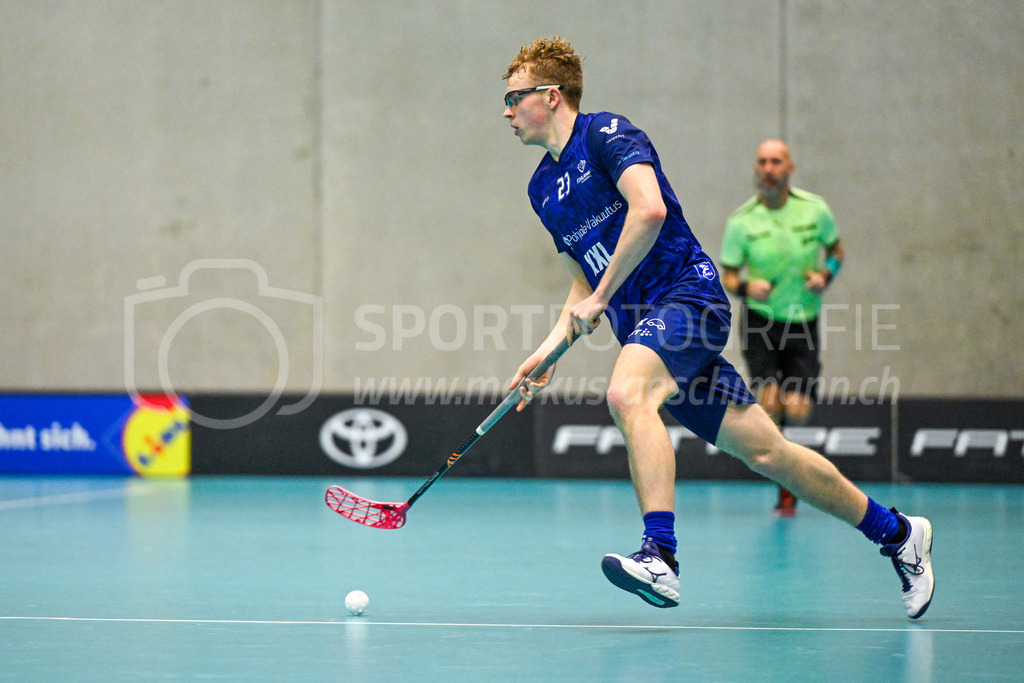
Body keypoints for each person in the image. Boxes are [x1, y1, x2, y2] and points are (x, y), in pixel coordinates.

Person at [499, 36, 933, 619]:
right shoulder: (541, 189)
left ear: (551, 96)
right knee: (770, 454)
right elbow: (584, 280)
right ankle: (898, 533)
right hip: (648, 329)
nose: (507, 111)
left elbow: (649, 209)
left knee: (627, 394)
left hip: (689, 298)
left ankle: (661, 555)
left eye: (515, 97)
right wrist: (547, 353)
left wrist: (601, 296)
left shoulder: (606, 133)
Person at [720, 139, 844, 516]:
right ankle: (787, 484)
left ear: (789, 168)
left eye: (775, 162)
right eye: (762, 162)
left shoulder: (815, 210)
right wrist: (746, 288)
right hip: (760, 321)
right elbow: (728, 275)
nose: (768, 169)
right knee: (770, 404)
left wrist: (826, 275)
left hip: (803, 321)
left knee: (798, 409)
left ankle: (787, 462)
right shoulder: (741, 221)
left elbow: (836, 252)